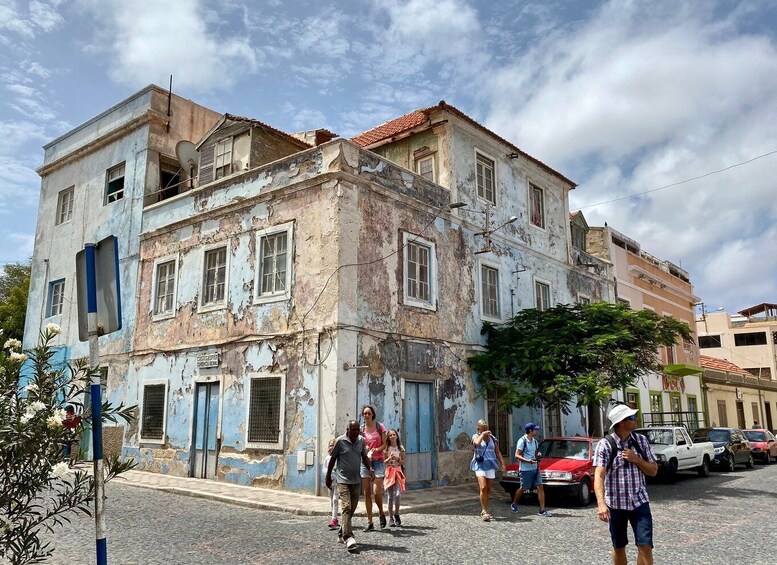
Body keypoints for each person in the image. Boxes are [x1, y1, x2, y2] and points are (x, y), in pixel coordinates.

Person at [594, 404, 658, 565]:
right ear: (622, 422)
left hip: (639, 502)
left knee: (645, 546)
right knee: (619, 546)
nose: (636, 419)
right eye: (632, 417)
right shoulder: (606, 444)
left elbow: (653, 470)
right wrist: (601, 504)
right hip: (616, 504)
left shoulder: (641, 441)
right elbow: (599, 476)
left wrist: (636, 459)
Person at [326, 420, 373, 553]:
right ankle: (349, 537)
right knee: (346, 507)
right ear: (347, 429)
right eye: (353, 430)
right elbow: (332, 460)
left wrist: (371, 469)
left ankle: (341, 532)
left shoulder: (361, 441)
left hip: (356, 480)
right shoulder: (340, 441)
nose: (355, 433)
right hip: (342, 480)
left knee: (351, 509)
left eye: (357, 430)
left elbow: (364, 456)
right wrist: (328, 476)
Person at [511, 422, 552, 517]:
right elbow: (517, 455)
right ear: (530, 430)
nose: (537, 431)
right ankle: (514, 503)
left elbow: (535, 452)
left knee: (540, 487)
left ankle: (542, 510)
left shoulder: (535, 441)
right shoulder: (522, 441)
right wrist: (527, 461)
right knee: (524, 488)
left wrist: (538, 454)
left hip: (535, 468)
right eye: (535, 430)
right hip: (526, 469)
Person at [360, 404, 388, 530]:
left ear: (373, 415)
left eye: (369, 413)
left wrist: (376, 449)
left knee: (377, 492)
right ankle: (370, 522)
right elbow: (359, 445)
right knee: (366, 492)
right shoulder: (361, 429)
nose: (367, 415)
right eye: (365, 413)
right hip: (365, 462)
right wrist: (364, 448)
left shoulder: (379, 427)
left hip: (378, 462)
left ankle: (381, 513)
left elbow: (385, 445)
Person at [471, 419, 505, 521]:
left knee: (489, 488)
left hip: (490, 465)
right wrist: (482, 434)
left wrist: (502, 463)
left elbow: (497, 452)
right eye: (483, 428)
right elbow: (476, 443)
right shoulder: (475, 436)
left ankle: (485, 508)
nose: (486, 429)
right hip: (480, 465)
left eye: (486, 428)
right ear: (479, 429)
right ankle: (484, 511)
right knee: (483, 487)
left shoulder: (493, 439)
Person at [384, 428, 406, 527]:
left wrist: (397, 458)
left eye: (394, 434)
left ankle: (397, 514)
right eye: (390, 435)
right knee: (390, 496)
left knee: (397, 495)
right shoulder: (386, 449)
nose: (392, 436)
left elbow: (403, 462)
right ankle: (391, 517)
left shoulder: (400, 448)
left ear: (396, 436)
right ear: (388, 437)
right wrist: (389, 458)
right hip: (389, 472)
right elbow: (384, 461)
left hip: (397, 471)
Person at [323, 438, 339, 529]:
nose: (331, 447)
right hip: (330, 481)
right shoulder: (327, 458)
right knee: (331, 500)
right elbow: (324, 469)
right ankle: (335, 517)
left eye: (333, 446)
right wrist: (327, 472)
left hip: (337, 481)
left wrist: (336, 468)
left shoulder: (337, 458)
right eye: (330, 445)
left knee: (335, 499)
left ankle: (333, 518)